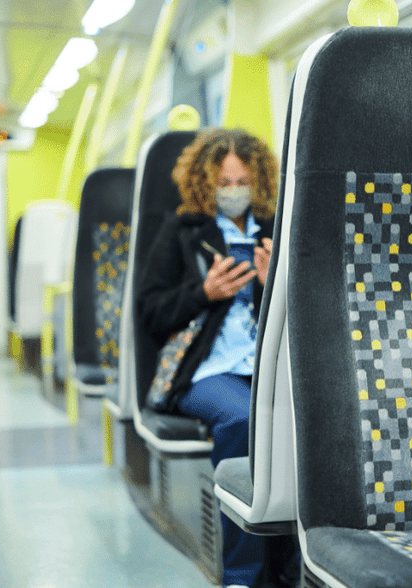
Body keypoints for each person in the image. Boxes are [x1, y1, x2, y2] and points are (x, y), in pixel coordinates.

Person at [137, 127, 298, 588]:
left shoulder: (276, 230)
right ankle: (244, 577)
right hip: (207, 370)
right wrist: (204, 292)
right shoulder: (183, 233)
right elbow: (151, 311)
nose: (233, 192)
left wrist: (273, 288)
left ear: (259, 181)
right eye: (223, 184)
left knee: (301, 423)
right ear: (205, 184)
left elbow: (307, 309)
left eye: (240, 183)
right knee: (243, 421)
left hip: (268, 367)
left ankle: (291, 567)